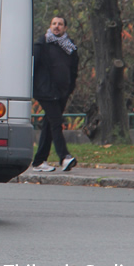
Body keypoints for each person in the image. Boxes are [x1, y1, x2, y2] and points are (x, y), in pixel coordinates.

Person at [31, 15, 79, 172]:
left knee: (49, 125)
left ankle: (39, 161)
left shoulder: (69, 47)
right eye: (54, 23)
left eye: (60, 24)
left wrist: (70, 88)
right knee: (56, 123)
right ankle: (64, 157)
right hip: (46, 91)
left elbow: (73, 70)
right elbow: (32, 67)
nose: (56, 26)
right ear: (50, 26)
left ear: (65, 28)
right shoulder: (41, 44)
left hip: (62, 92)